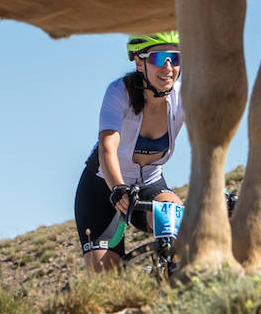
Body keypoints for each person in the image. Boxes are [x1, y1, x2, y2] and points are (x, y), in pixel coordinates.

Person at [74, 32, 186, 273]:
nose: (168, 67)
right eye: (159, 58)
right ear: (139, 62)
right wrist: (117, 188)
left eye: (175, 58)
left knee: (178, 226)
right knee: (106, 279)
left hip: (150, 183)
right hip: (104, 186)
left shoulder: (182, 96)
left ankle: (168, 283)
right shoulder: (119, 92)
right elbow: (107, 146)